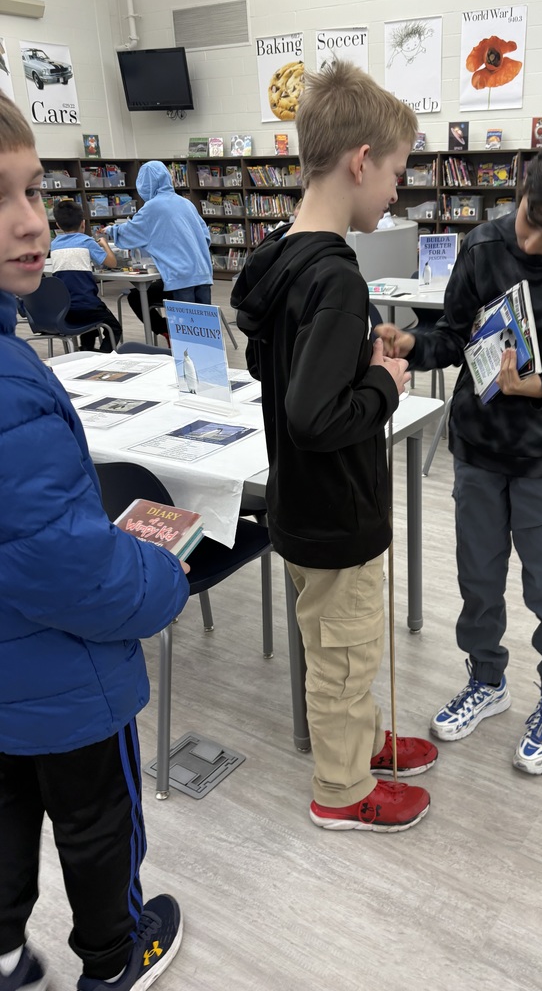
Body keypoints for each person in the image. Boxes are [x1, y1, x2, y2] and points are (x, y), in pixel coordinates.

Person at [0, 94, 190, 991]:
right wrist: (163, 578)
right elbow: (66, 567)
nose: (32, 222)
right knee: (96, 823)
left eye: (34, 190)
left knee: (4, 817)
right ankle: (116, 957)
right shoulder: (10, 388)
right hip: (65, 682)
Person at [377, 130, 542, 775]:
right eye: (529, 222)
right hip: (478, 447)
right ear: (523, 190)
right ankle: (487, 680)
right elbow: (452, 337)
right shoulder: (483, 244)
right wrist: (411, 346)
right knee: (477, 579)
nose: (533, 244)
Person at [232, 61, 437, 833]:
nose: (396, 192)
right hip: (337, 508)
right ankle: (344, 790)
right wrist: (383, 379)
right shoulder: (340, 279)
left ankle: (359, 740)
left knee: (339, 644)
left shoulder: (282, 257)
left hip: (300, 503)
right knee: (344, 652)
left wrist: (356, 357)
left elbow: (272, 364)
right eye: (395, 173)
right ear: (360, 161)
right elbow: (317, 417)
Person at [101, 161, 213, 341]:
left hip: (180, 277)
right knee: (203, 329)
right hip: (202, 273)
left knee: (186, 333)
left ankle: (168, 334)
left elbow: (131, 232)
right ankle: (208, 362)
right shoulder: (186, 203)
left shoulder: (153, 207)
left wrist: (110, 231)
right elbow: (206, 237)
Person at [50, 199, 123, 352]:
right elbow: (112, 263)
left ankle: (86, 351)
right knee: (115, 328)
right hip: (88, 306)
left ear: (58, 225)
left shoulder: (54, 244)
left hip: (64, 310)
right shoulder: (87, 241)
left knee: (90, 327)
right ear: (83, 223)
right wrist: (104, 244)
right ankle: (101, 357)